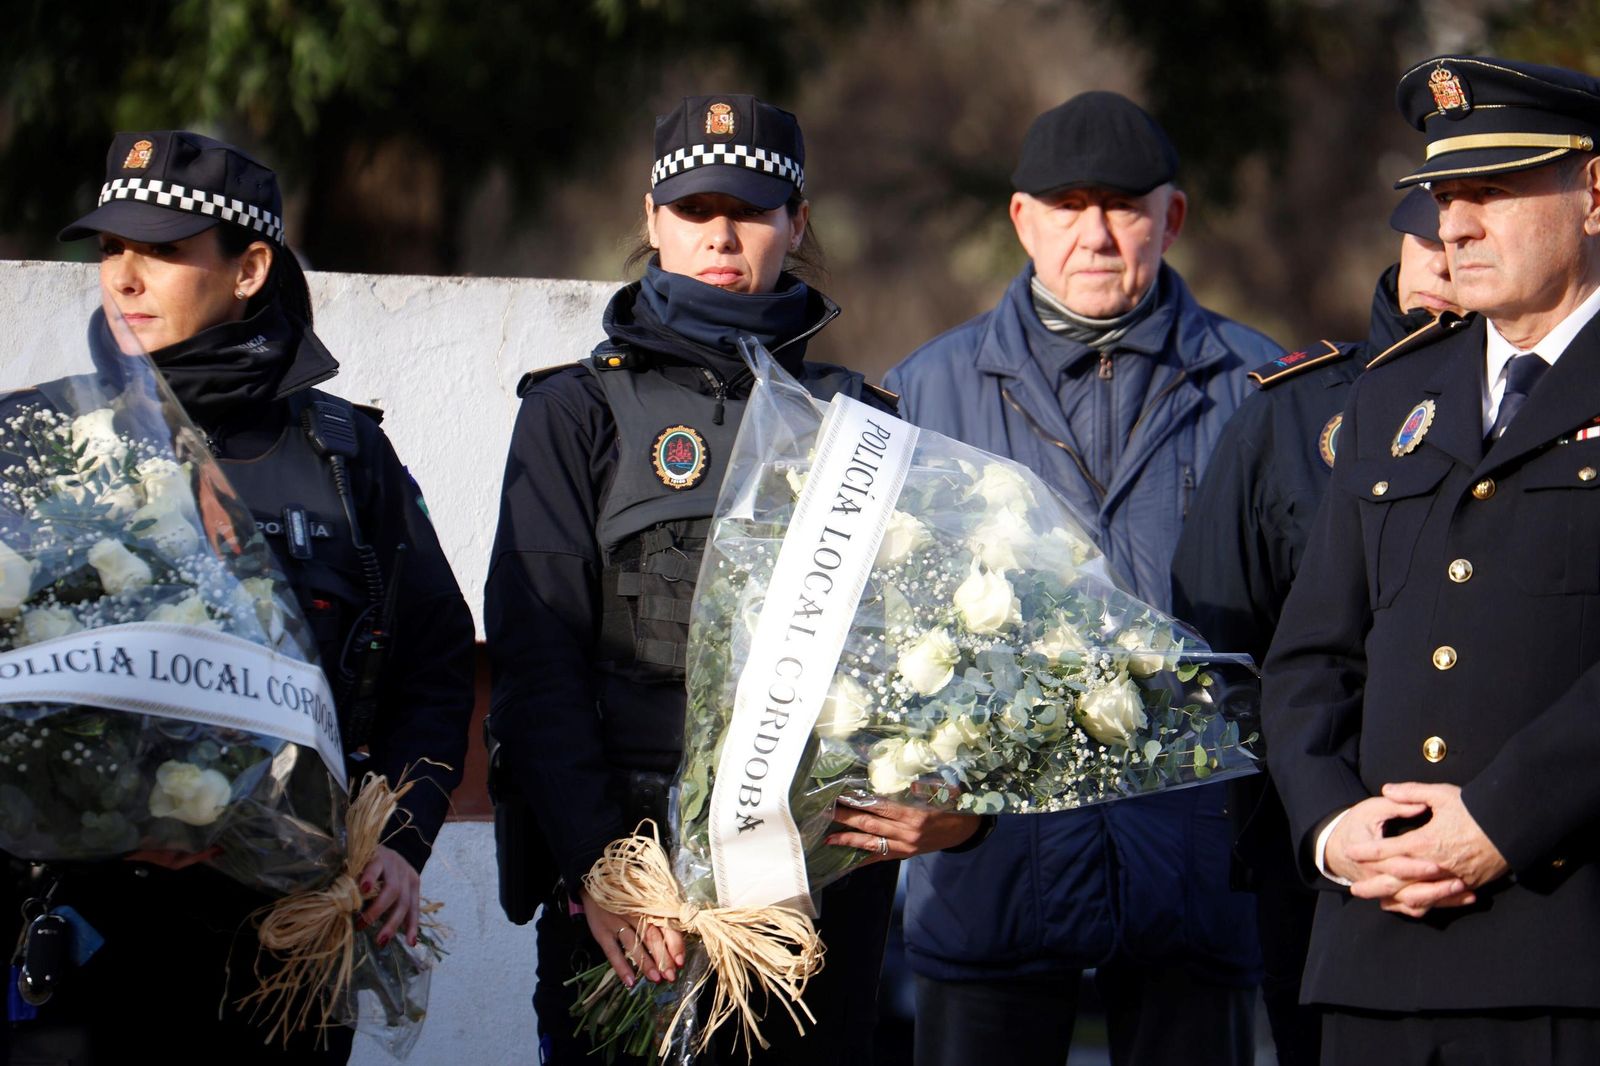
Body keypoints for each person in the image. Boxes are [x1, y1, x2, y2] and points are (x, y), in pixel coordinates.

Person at [484, 94, 986, 1065]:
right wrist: (602, 867)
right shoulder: (572, 412)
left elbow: (928, 662)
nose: (722, 231)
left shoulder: (868, 428)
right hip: (633, 903)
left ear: (796, 225)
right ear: (650, 220)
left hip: (810, 911)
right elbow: (535, 660)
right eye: (695, 207)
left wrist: (955, 801)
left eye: (752, 209)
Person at [1, 130, 475, 1065]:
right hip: (90, 940)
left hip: (286, 951)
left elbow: (435, 665)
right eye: (110, 250)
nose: (124, 279)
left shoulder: (346, 458)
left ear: (250, 267)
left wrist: (401, 845)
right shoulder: (46, 449)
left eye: (164, 251)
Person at [884, 90, 1281, 1066]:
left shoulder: (1260, 386)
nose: (1095, 233)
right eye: (1067, 204)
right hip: (988, 884)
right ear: (1022, 219)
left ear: (1171, 216)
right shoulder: (918, 395)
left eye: (1122, 205)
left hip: (1199, 881)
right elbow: (882, 640)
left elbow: (1302, 635)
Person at [1263, 56, 1600, 1064]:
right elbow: (1308, 660)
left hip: (1569, 950)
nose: (1454, 225)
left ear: (1593, 192)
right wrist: (1332, 829)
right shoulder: (1391, 395)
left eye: (1491, 192)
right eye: (1445, 195)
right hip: (1377, 955)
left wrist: (1504, 816)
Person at [1170, 187, 1461, 1066]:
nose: (1449, 270)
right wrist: (1316, 804)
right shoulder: (1297, 410)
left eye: (1466, 246)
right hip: (1322, 850)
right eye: (1430, 246)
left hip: (1507, 833)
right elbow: (1216, 636)